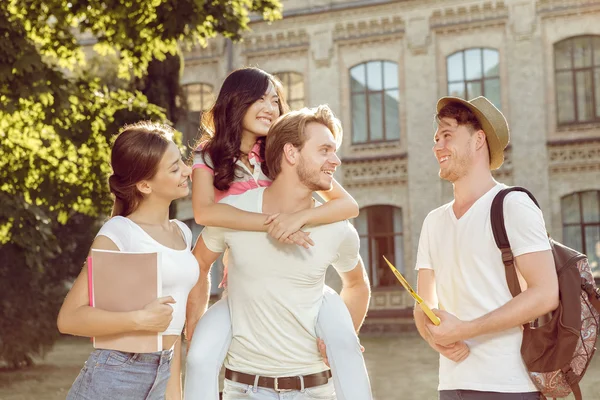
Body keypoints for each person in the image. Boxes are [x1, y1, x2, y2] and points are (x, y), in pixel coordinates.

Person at [184, 68, 372, 400]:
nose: (270, 106)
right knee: (200, 356)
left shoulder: (277, 150)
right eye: (259, 98)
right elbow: (205, 212)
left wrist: (300, 218)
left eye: (275, 99)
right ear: (235, 100)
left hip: (298, 278)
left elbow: (347, 205)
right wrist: (275, 223)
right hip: (242, 279)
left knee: (345, 343)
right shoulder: (209, 154)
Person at [413, 96, 559, 400]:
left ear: (478, 140)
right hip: (451, 385)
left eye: (448, 135)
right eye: (436, 138)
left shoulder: (513, 205)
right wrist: (436, 338)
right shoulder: (433, 222)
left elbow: (545, 293)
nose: (437, 146)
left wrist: (464, 330)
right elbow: (422, 303)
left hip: (508, 385)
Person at [57, 122, 198, 400]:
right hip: (117, 375)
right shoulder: (119, 233)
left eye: (181, 161)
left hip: (163, 369)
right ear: (145, 185)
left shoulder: (181, 232)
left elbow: (173, 330)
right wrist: (139, 320)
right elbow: (69, 318)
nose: (187, 170)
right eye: (174, 168)